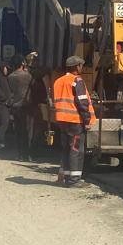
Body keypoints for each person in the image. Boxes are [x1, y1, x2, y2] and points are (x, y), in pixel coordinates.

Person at [51, 56, 95, 186]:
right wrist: (87, 120)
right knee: (76, 150)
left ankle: (65, 176)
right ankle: (74, 180)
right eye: (81, 65)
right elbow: (82, 102)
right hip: (75, 120)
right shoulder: (77, 81)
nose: (82, 67)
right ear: (77, 67)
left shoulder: (58, 81)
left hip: (62, 120)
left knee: (66, 148)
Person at [6, 55, 33, 161]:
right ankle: (28, 154)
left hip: (15, 107)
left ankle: (20, 154)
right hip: (26, 106)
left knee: (18, 131)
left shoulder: (10, 77)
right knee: (28, 131)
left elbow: (10, 93)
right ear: (22, 63)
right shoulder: (27, 76)